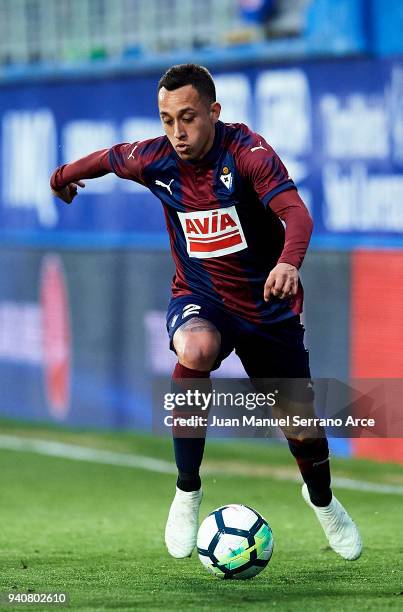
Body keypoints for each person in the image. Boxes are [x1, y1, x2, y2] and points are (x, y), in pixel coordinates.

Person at [50, 63, 362, 562]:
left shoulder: (247, 153)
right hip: (202, 298)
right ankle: (187, 489)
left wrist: (288, 261)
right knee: (195, 347)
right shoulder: (153, 158)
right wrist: (60, 177)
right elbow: (106, 159)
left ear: (213, 112)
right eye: (167, 119)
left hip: (267, 306)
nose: (177, 132)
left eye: (188, 118)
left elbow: (296, 214)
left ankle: (323, 500)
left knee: (301, 427)